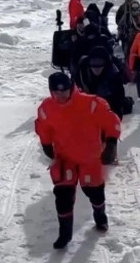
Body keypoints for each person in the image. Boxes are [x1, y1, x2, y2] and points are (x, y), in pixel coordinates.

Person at [35, 72, 121, 249]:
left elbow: (111, 121)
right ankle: (65, 235)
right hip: (65, 158)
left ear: (72, 87)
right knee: (63, 196)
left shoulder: (92, 103)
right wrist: (46, 145)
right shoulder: (46, 108)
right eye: (56, 92)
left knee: (94, 191)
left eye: (65, 91)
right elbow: (43, 127)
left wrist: (111, 144)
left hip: (90, 157)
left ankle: (100, 215)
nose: (61, 95)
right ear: (51, 92)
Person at [74, 46, 127, 124]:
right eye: (93, 63)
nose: (96, 67)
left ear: (105, 63)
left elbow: (118, 100)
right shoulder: (82, 74)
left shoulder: (113, 75)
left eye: (100, 62)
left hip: (108, 108)